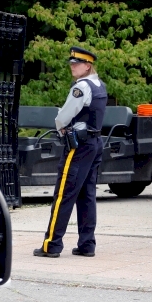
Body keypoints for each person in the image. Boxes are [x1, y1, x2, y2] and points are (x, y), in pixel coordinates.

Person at [33, 46, 107, 258]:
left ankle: (52, 244)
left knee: (63, 195)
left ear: (87, 66)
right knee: (87, 195)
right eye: (72, 63)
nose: (72, 67)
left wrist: (60, 126)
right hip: (94, 143)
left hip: (79, 146)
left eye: (77, 64)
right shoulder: (99, 85)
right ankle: (87, 244)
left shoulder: (81, 87)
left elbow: (64, 116)